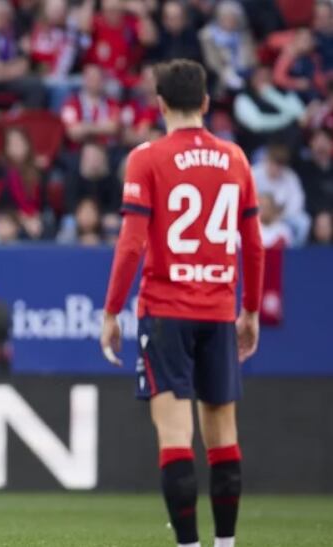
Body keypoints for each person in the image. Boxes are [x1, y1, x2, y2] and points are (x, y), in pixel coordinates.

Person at [101, 59, 265, 547]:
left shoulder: (147, 158)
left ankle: (190, 545)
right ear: (207, 103)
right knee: (224, 439)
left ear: (161, 104)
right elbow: (253, 245)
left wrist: (112, 311)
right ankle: (226, 544)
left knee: (175, 439)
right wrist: (250, 310)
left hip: (166, 312)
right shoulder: (235, 158)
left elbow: (131, 244)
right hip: (218, 312)